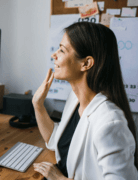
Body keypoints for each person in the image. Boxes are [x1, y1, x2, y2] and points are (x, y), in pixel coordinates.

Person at [32, 22, 137, 180]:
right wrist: (38, 105)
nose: (54, 55)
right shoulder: (75, 99)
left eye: (62, 50)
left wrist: (59, 178)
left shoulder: (110, 123)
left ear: (86, 63)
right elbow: (55, 139)